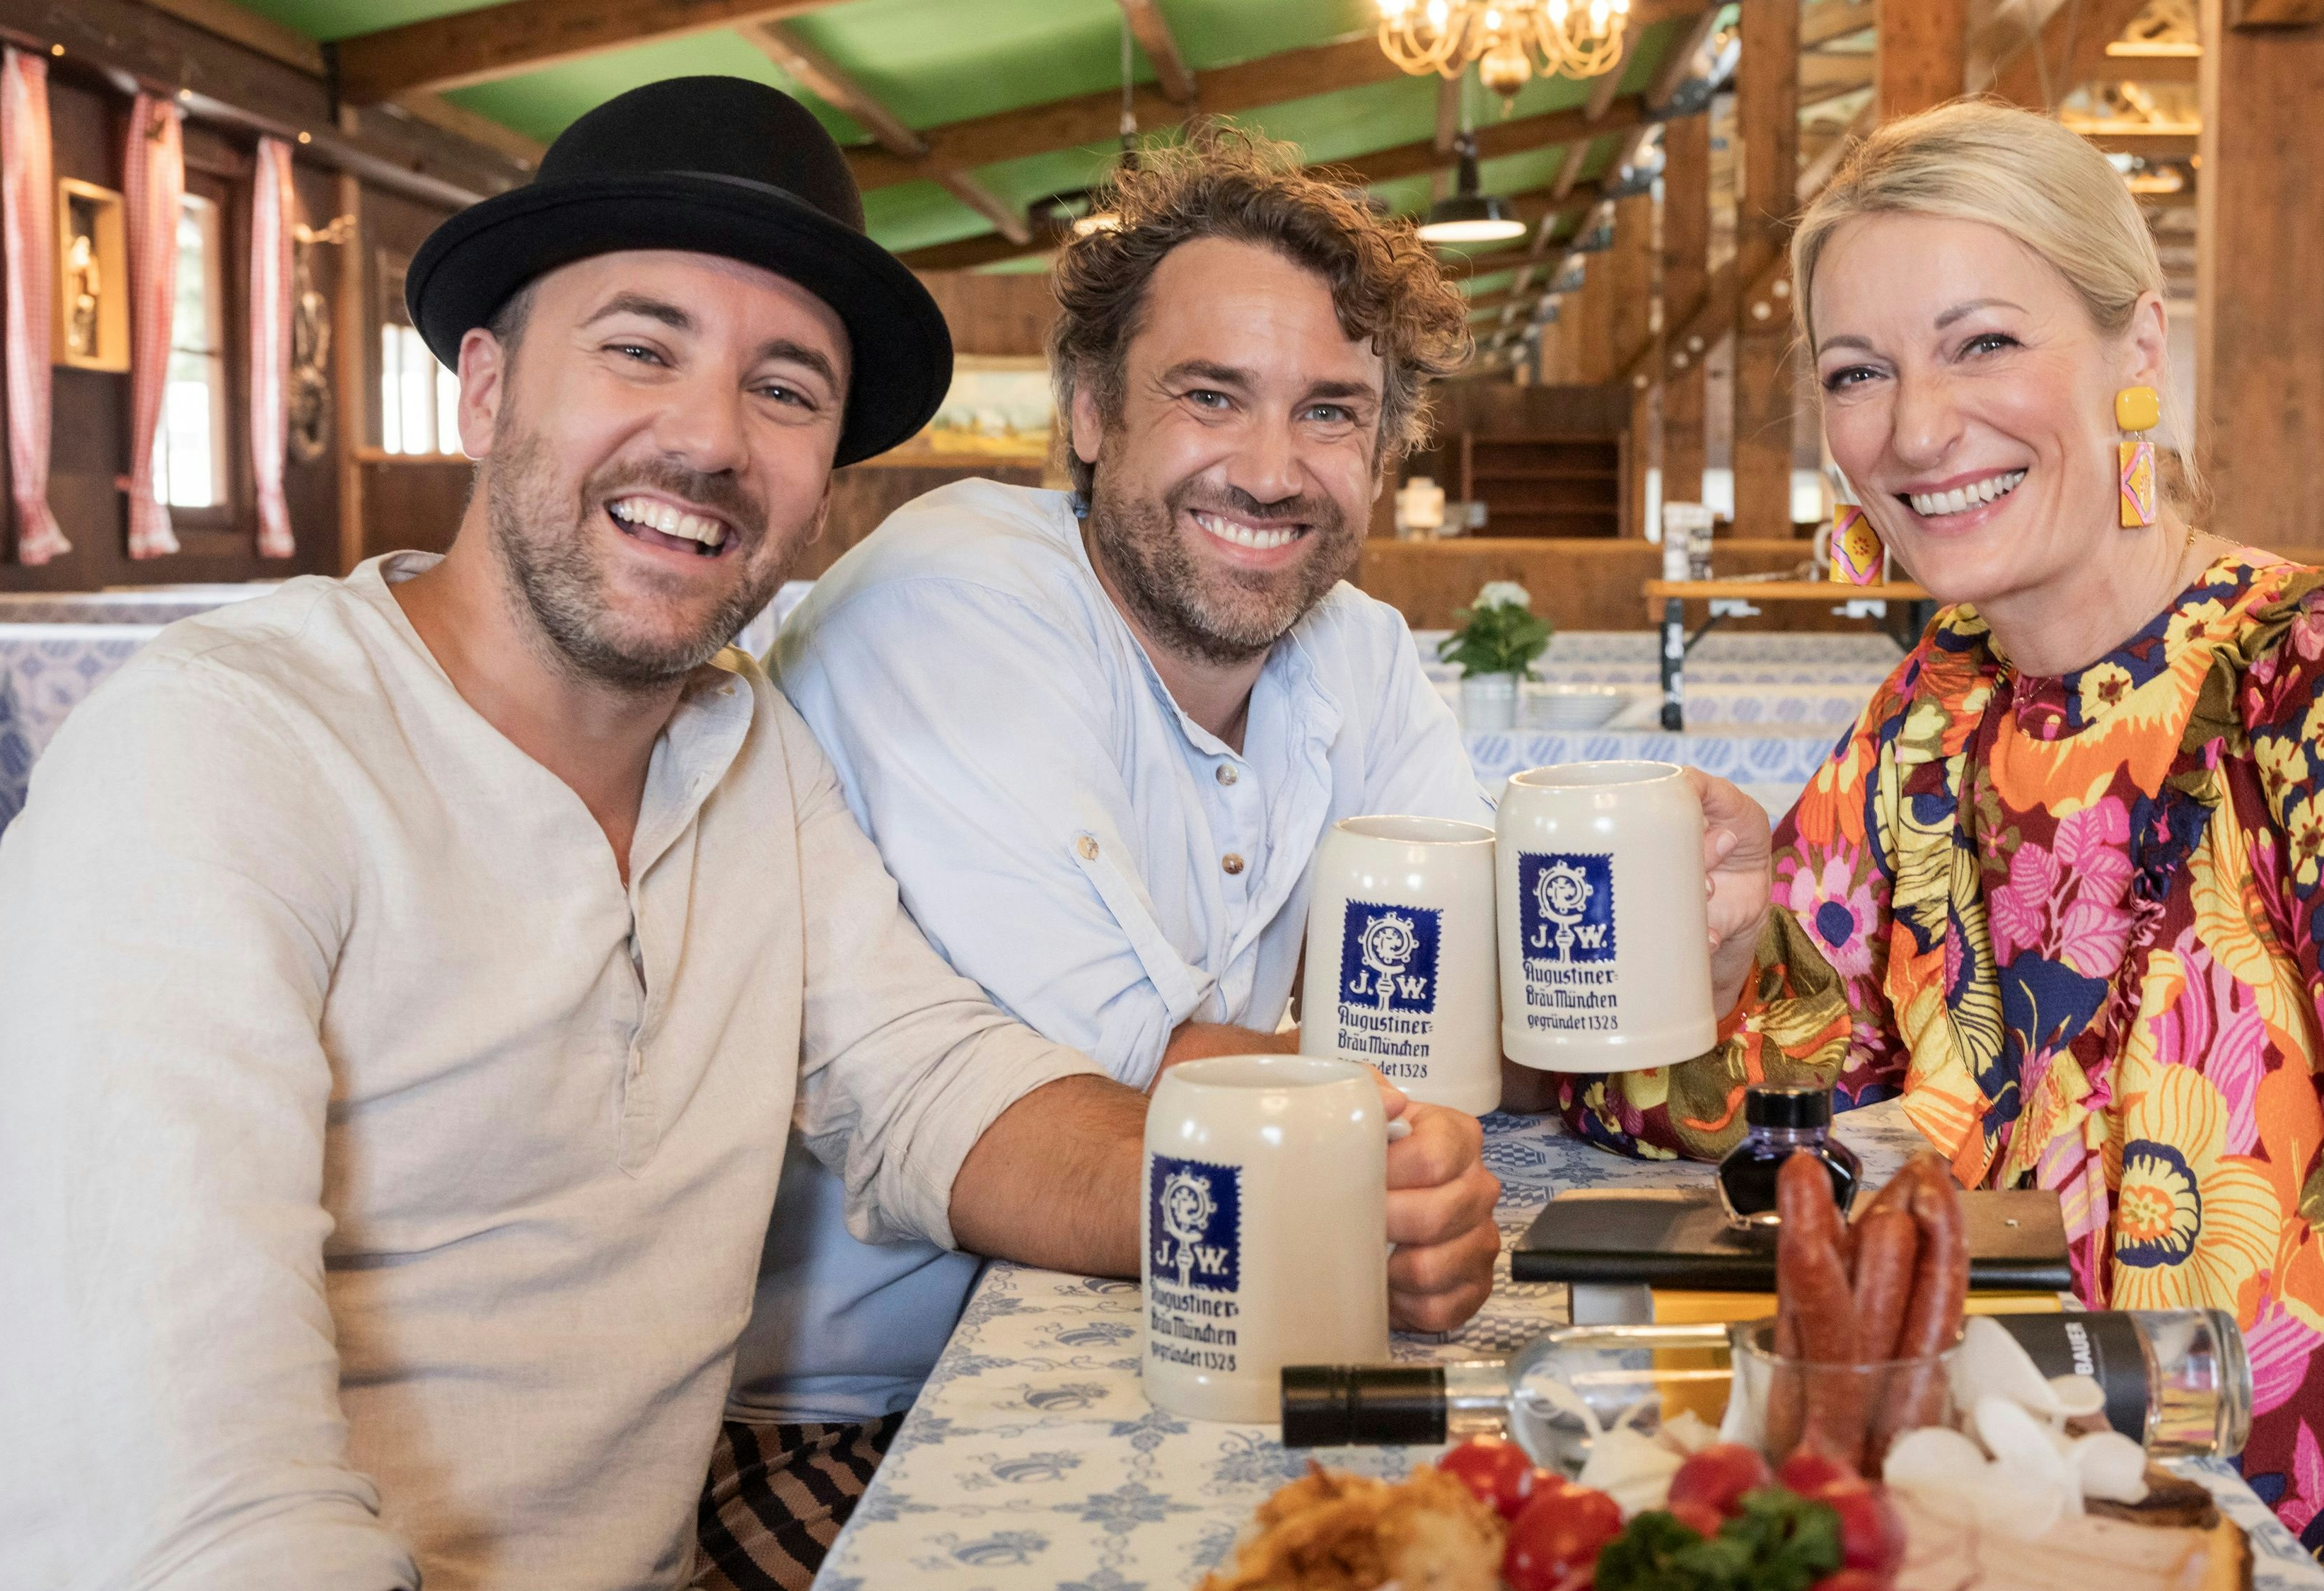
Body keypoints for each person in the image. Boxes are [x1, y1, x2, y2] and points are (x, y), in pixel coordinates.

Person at [0, 78, 1474, 1591]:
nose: (711, 440)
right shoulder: (219, 754)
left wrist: (1290, 1198)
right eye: (639, 350)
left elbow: (939, 1096)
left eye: (783, 389)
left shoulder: (739, 757)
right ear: (484, 387)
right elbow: (190, 1501)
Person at [1555, 102, 2324, 1588]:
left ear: (2135, 354)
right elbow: (1770, 1113)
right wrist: (1706, 951)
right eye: (1858, 372)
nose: (1914, 429)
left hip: (2297, 1549)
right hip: (1988, 1525)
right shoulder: (1926, 718)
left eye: (1980, 343)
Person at [712, 129, 1772, 1584]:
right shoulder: (955, 596)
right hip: (862, 1414)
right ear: (1089, 411)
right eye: (1210, 397)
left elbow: (1455, 1040)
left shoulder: (1359, 652)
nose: (1271, 471)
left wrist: (1661, 971)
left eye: (1330, 413)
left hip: (1231, 1345)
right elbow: (1134, 1081)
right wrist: (1434, 1100)